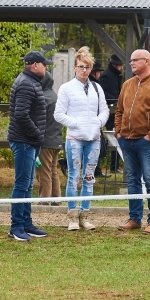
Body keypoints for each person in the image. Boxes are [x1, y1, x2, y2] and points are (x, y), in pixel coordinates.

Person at [114, 49, 150, 234]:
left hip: (147, 142)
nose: (131, 63)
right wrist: (118, 131)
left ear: (146, 61)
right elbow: (119, 110)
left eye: (135, 60)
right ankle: (134, 218)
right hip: (127, 140)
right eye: (130, 60)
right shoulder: (127, 84)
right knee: (132, 180)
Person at [54, 49, 109, 231]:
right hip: (75, 138)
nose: (84, 70)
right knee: (73, 176)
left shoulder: (96, 88)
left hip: (93, 137)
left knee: (89, 177)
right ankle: (72, 216)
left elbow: (104, 111)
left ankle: (85, 214)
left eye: (87, 67)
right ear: (74, 67)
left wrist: (98, 122)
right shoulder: (66, 88)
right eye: (81, 67)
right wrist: (75, 123)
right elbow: (59, 114)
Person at [7, 51, 50, 242]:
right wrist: (37, 134)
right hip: (24, 141)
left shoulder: (31, 82)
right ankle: (16, 226)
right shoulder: (26, 83)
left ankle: (26, 223)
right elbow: (21, 115)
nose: (46, 67)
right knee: (22, 184)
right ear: (34, 65)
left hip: (30, 141)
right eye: (44, 64)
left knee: (27, 184)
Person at [36, 71, 63, 206]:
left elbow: (39, 121)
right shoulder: (55, 96)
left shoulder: (43, 98)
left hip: (45, 140)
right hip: (56, 139)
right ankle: (56, 198)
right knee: (53, 169)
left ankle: (44, 199)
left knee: (44, 170)